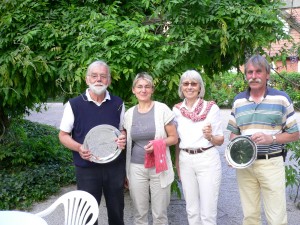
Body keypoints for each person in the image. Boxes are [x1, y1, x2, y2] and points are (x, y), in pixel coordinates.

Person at [226, 54, 300, 225]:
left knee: (276, 218)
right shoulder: (238, 101)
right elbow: (234, 133)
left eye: (258, 72)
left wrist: (271, 138)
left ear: (267, 74)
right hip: (245, 166)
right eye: (249, 72)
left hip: (271, 163)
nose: (253, 76)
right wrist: (233, 153)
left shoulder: (281, 99)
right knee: (250, 216)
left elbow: (295, 133)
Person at [59, 60, 126, 225]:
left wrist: (123, 137)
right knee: (87, 213)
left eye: (103, 76)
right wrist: (79, 147)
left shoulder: (118, 104)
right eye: (94, 76)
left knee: (117, 210)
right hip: (86, 167)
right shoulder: (73, 104)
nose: (99, 80)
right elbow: (63, 135)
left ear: (109, 80)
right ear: (87, 79)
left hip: (114, 166)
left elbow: (122, 129)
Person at [123, 72, 178, 225]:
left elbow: (174, 138)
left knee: (160, 213)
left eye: (147, 86)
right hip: (136, 167)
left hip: (158, 167)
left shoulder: (162, 109)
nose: (143, 90)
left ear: (152, 90)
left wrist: (157, 144)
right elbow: (126, 139)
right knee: (139, 213)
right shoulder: (129, 114)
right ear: (133, 90)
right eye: (139, 87)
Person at [173, 70, 224, 225]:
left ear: (200, 87)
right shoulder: (176, 110)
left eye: (193, 84)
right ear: (181, 87)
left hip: (207, 159)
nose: (189, 87)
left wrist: (210, 137)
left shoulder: (211, 108)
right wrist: (177, 163)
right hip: (185, 160)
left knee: (208, 213)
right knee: (191, 210)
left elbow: (220, 140)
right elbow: (177, 140)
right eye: (186, 83)